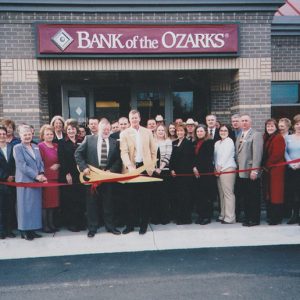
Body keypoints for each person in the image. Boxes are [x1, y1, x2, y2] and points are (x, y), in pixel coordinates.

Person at [75, 120, 122, 238]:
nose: (106, 131)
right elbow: (78, 154)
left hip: (107, 177)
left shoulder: (114, 142)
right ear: (98, 129)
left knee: (108, 203)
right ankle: (92, 228)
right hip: (92, 177)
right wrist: (83, 167)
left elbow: (118, 160)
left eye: (108, 129)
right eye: (103, 129)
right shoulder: (89, 139)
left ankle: (110, 226)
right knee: (91, 204)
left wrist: (111, 171)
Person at [120, 109, 157, 234]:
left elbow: (153, 150)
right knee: (130, 199)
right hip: (131, 169)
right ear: (129, 120)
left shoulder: (147, 132)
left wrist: (151, 165)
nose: (134, 120)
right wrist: (129, 165)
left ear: (140, 118)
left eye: (136, 118)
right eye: (132, 118)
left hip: (145, 168)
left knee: (145, 199)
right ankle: (130, 225)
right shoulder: (124, 133)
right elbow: (123, 152)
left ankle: (143, 225)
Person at [14, 125, 47, 240]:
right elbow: (22, 165)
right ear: (20, 136)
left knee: (34, 207)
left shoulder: (35, 146)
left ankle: (32, 230)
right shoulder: (17, 148)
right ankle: (24, 231)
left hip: (37, 181)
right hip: (25, 182)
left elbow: (40, 162)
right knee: (24, 207)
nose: (27, 136)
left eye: (29, 134)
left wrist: (42, 173)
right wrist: (36, 175)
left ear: (32, 134)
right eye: (24, 134)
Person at [236, 114, 263, 227]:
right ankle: (247, 217)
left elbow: (257, 154)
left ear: (250, 122)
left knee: (253, 197)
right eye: (242, 121)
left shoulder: (256, 135)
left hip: (251, 172)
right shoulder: (240, 135)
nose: (244, 122)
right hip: (241, 172)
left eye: (246, 120)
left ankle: (254, 219)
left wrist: (255, 170)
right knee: (246, 197)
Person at [58, 119, 85, 232]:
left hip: (81, 174)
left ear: (76, 130)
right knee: (71, 201)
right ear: (66, 130)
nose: (71, 131)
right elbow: (62, 159)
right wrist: (66, 174)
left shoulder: (81, 141)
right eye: (69, 129)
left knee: (80, 199)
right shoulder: (62, 143)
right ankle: (72, 223)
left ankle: (81, 223)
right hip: (69, 174)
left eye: (73, 129)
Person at [262, 119, 286, 225]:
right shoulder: (266, 137)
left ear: (276, 127)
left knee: (276, 194)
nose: (270, 128)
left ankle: (276, 218)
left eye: (272, 126)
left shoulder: (278, 138)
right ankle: (271, 216)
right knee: (269, 193)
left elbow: (277, 155)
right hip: (268, 170)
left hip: (276, 170)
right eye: (268, 126)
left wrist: (266, 165)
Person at [169, 124, 194, 225]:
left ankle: (185, 218)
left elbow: (188, 160)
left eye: (181, 131)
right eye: (178, 131)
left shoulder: (188, 143)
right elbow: (172, 158)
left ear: (185, 132)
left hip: (185, 174)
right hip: (175, 175)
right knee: (177, 196)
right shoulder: (174, 142)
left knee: (185, 196)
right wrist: (171, 169)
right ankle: (178, 216)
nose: (179, 133)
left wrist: (179, 171)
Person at [38, 125, 60, 233]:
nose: (50, 136)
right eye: (47, 134)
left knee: (53, 203)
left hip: (56, 178)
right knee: (45, 204)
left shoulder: (56, 145)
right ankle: (45, 225)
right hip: (46, 178)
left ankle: (51, 224)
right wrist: (42, 175)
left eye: (51, 134)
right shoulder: (40, 146)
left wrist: (59, 164)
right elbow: (39, 162)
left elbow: (61, 159)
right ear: (43, 135)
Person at [192, 124, 215, 225]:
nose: (199, 133)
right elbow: (193, 157)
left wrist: (198, 169)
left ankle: (207, 216)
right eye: (197, 131)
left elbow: (207, 158)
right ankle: (200, 215)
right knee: (199, 196)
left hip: (206, 173)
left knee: (206, 196)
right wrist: (194, 168)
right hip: (196, 173)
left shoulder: (209, 142)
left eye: (201, 131)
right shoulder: (194, 142)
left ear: (205, 132)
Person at [214, 124, 237, 224]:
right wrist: (216, 168)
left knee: (228, 193)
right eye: (221, 130)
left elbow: (226, 156)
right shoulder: (217, 143)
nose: (223, 132)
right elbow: (215, 157)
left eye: (225, 130)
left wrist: (219, 167)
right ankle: (223, 214)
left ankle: (230, 217)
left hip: (228, 169)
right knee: (221, 194)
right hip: (218, 170)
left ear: (228, 132)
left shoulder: (229, 141)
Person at [152, 124, 172, 224]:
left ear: (165, 132)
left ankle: (165, 218)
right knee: (155, 196)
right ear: (155, 132)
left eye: (162, 130)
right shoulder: (153, 142)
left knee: (164, 196)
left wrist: (160, 168)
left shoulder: (168, 141)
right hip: (154, 171)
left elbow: (168, 156)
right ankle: (156, 218)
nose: (160, 132)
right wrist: (154, 168)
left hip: (164, 171)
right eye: (158, 130)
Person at [0, 126, 16, 239]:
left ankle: (9, 230)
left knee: (10, 207)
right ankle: (1, 231)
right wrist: (5, 177)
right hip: (1, 182)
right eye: (0, 134)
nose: (2, 136)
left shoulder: (12, 147)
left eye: (4, 134)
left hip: (12, 183)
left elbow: (16, 163)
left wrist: (13, 176)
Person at [285, 114, 300, 225]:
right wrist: (291, 164)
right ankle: (294, 215)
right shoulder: (288, 137)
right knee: (293, 193)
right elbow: (285, 152)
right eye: (297, 124)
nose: (299, 126)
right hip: (292, 170)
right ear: (294, 126)